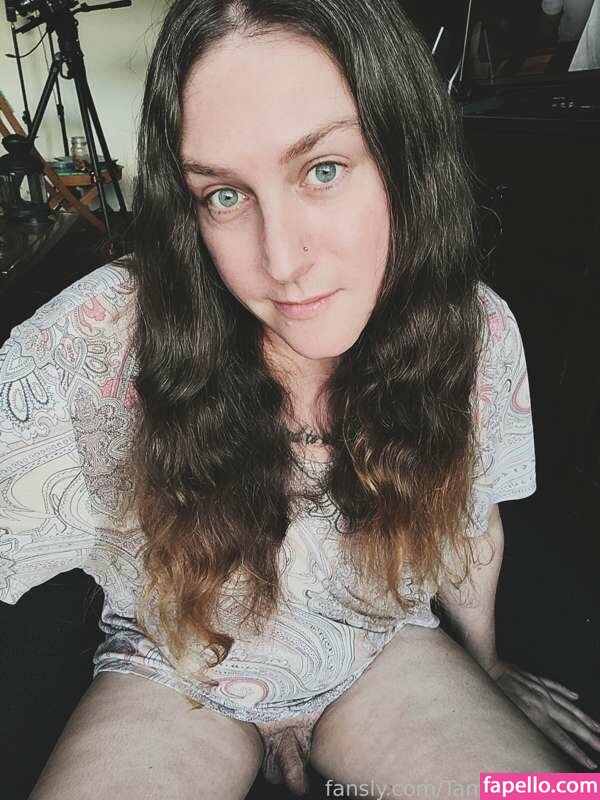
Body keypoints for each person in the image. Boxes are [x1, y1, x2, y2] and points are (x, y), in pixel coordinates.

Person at [1, 1, 599, 798]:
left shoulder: (476, 331)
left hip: (382, 652)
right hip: (173, 670)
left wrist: (488, 667)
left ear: (407, 155)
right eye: (223, 195)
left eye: (323, 170)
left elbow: (471, 516)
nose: (281, 261)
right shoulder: (99, 336)